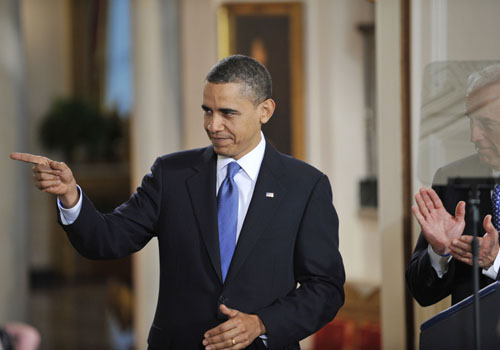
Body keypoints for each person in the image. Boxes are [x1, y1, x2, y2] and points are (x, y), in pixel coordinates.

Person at [11, 55, 345, 349]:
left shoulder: (305, 186)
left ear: (265, 111)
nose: (213, 125)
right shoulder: (171, 174)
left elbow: (325, 288)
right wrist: (71, 196)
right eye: (207, 111)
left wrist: (262, 324)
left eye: (227, 113)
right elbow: (107, 239)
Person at [406, 64, 500, 306]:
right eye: (471, 122)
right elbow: (422, 293)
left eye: (486, 125)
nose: (473, 136)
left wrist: (496, 260)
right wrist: (439, 253)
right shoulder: (452, 178)